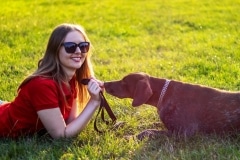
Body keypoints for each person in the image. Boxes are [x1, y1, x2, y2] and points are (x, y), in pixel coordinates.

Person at [0, 23, 104, 139]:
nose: (79, 51)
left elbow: (71, 122)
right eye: (70, 47)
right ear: (55, 50)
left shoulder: (71, 78)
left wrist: (94, 97)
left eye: (83, 46)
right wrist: (94, 102)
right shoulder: (42, 85)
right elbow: (61, 135)